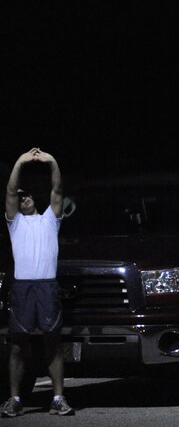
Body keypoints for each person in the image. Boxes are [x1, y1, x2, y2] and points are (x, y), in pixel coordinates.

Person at [0, 149, 73, 417]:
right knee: (18, 345)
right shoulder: (14, 222)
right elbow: (10, 192)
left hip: (47, 287)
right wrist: (20, 161)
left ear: (35, 198)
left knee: (52, 343)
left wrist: (51, 161)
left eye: (28, 194)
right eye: (21, 197)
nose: (24, 198)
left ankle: (57, 397)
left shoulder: (49, 221)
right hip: (22, 288)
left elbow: (58, 188)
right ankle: (15, 398)